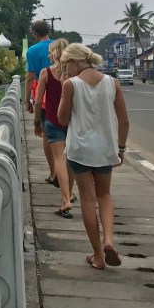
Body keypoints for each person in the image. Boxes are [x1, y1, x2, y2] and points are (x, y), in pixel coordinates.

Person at [57, 44, 129, 270]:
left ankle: (98, 256)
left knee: (88, 199)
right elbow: (124, 121)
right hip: (105, 149)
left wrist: (64, 89)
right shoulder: (112, 83)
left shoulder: (71, 84)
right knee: (104, 195)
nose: (65, 70)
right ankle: (109, 241)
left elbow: (62, 119)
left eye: (65, 65)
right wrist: (121, 148)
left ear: (75, 62)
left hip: (80, 150)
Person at [33, 39, 75, 218]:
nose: (48, 55)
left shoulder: (46, 73)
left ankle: (65, 200)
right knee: (71, 160)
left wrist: (37, 122)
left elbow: (37, 101)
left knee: (59, 159)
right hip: (73, 122)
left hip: (53, 120)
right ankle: (71, 193)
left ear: (55, 53)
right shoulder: (74, 74)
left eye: (50, 52)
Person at [25, 19, 55, 183]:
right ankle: (66, 173)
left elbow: (30, 76)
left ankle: (53, 173)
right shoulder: (61, 46)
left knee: (47, 133)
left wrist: (27, 100)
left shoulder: (32, 50)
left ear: (35, 34)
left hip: (44, 95)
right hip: (65, 90)